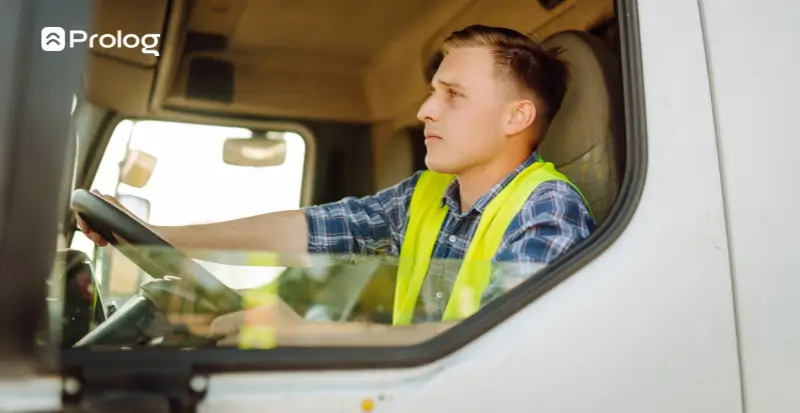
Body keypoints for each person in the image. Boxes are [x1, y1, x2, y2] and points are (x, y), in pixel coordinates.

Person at [78, 25, 596, 345]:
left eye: (453, 94)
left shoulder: (547, 210)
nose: (425, 110)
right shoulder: (425, 195)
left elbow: (501, 342)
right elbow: (307, 229)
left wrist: (306, 335)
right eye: (432, 91)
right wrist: (160, 235)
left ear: (517, 117)